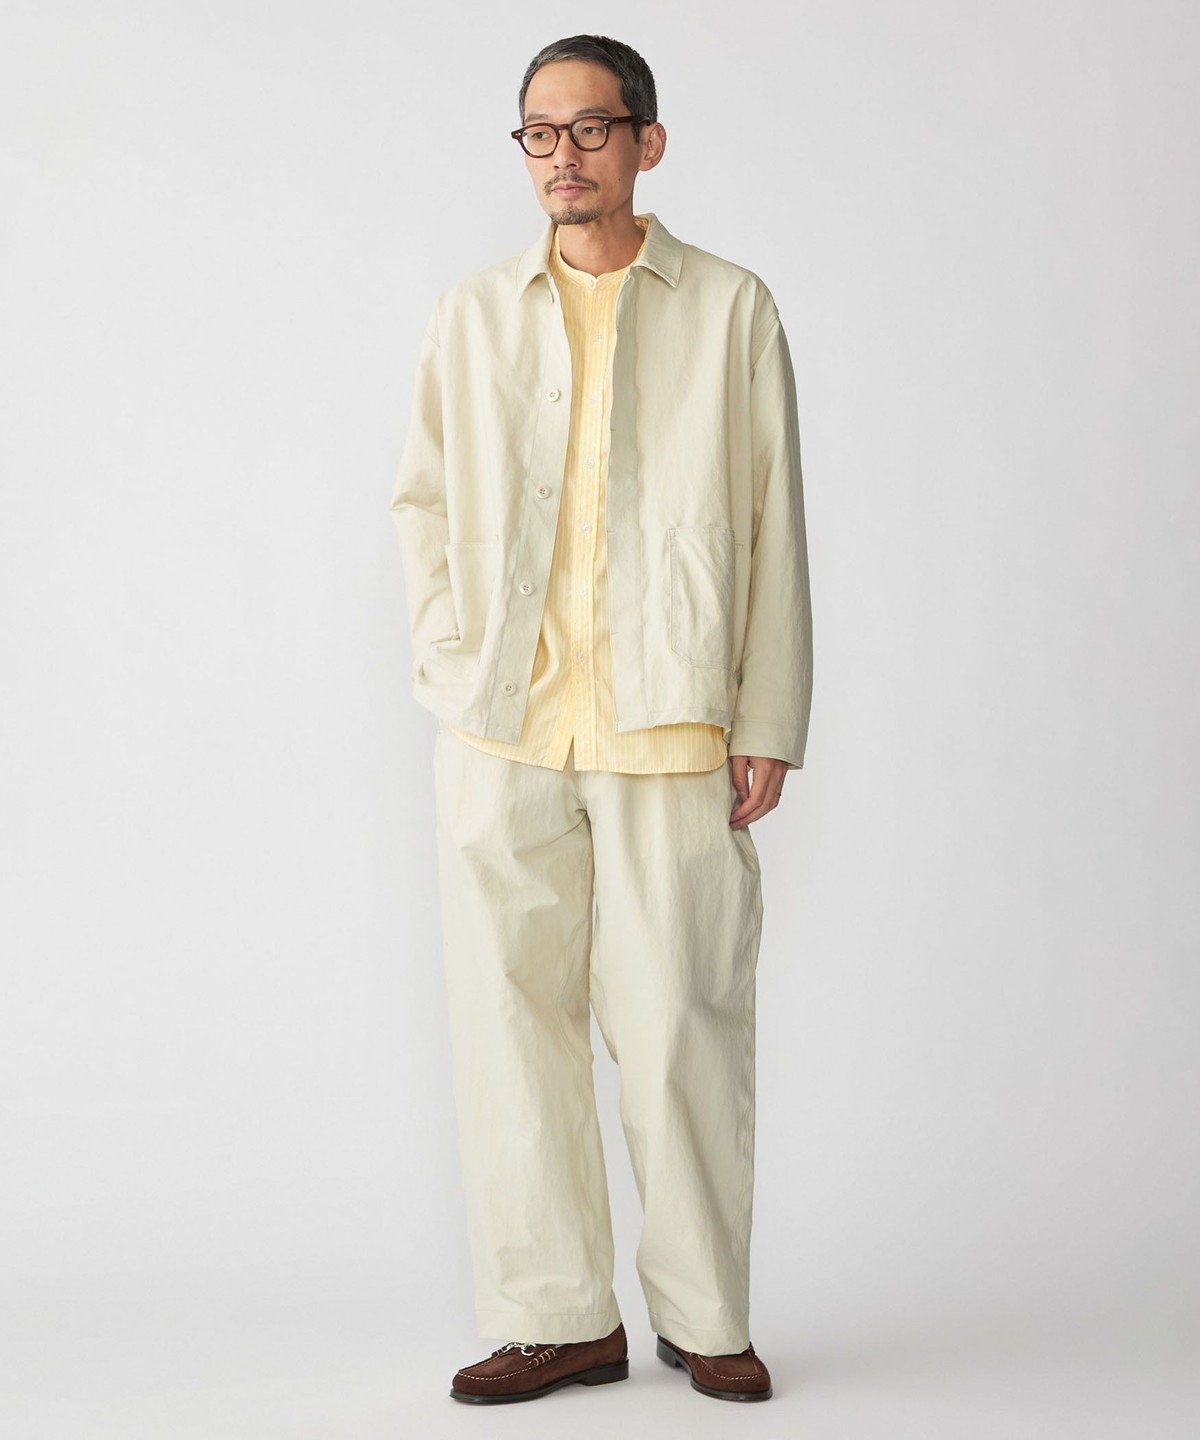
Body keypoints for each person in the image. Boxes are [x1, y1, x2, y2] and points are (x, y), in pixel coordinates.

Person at [388, 32, 812, 1405]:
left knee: (682, 1019)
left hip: (670, 719)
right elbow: (423, 505)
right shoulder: (471, 314)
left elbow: (774, 515)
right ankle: (556, 1316)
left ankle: (703, 1312)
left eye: (590, 128)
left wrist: (768, 712)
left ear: (647, 142)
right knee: (507, 1022)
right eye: (539, 132)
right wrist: (450, 656)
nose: (562, 155)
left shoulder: (730, 308)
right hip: (500, 726)